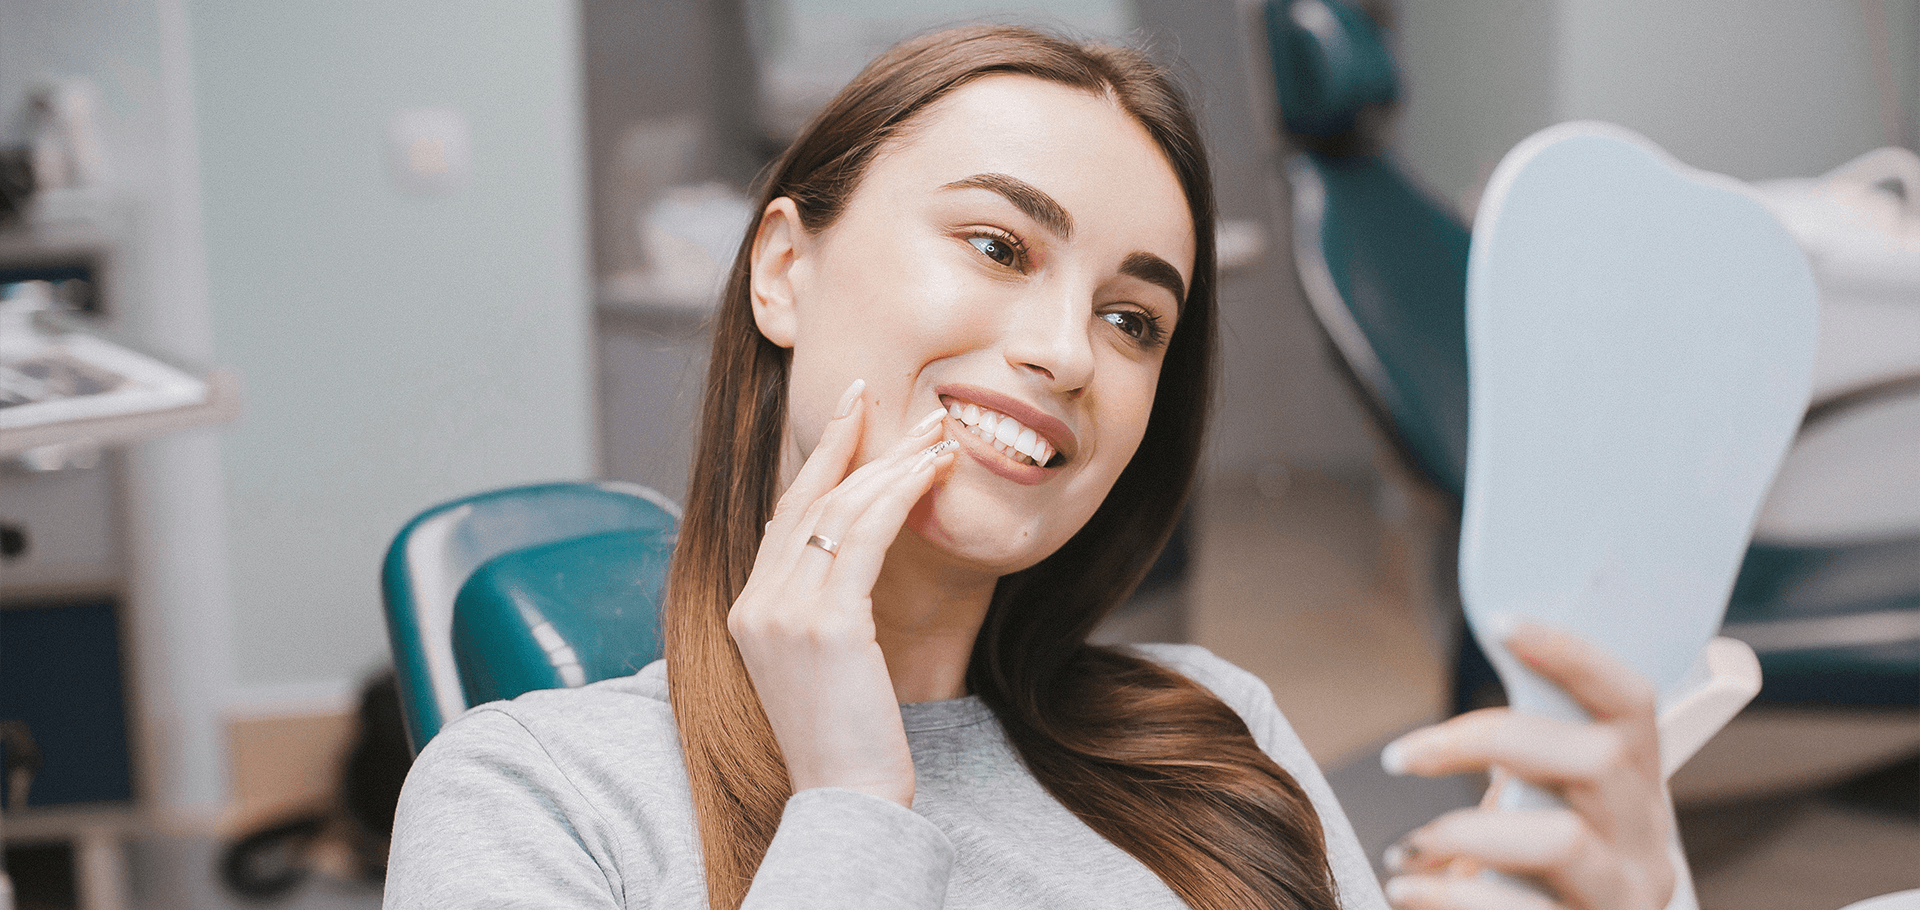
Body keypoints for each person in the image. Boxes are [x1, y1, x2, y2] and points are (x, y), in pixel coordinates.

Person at [385, 25, 1676, 910]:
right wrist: (848, 799)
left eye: (1134, 319)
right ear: (783, 267)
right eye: (1000, 246)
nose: (1067, 351)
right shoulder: (537, 796)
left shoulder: (1216, 732)